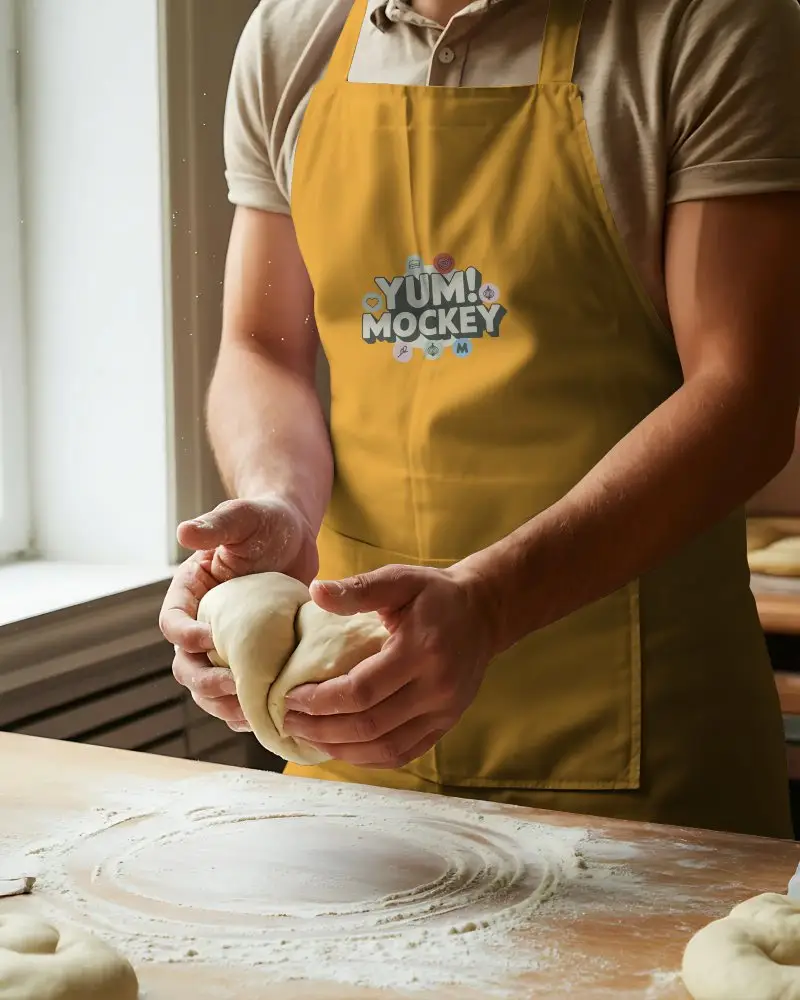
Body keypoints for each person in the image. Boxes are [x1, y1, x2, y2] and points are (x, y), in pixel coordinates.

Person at [160, 0, 800, 838]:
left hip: (648, 760)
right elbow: (263, 349)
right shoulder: (292, 39)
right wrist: (281, 507)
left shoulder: (708, 28)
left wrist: (490, 605)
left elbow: (743, 395)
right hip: (351, 732)